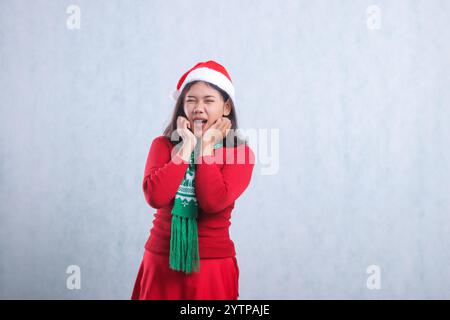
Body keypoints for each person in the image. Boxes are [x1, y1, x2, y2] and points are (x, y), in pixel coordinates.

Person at [131, 60, 255, 300]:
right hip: (161, 261)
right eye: (191, 100)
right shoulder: (163, 145)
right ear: (182, 107)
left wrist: (205, 150)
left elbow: (212, 202)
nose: (199, 108)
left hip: (211, 266)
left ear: (226, 107)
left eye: (209, 100)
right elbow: (155, 196)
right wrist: (187, 146)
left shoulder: (240, 154)